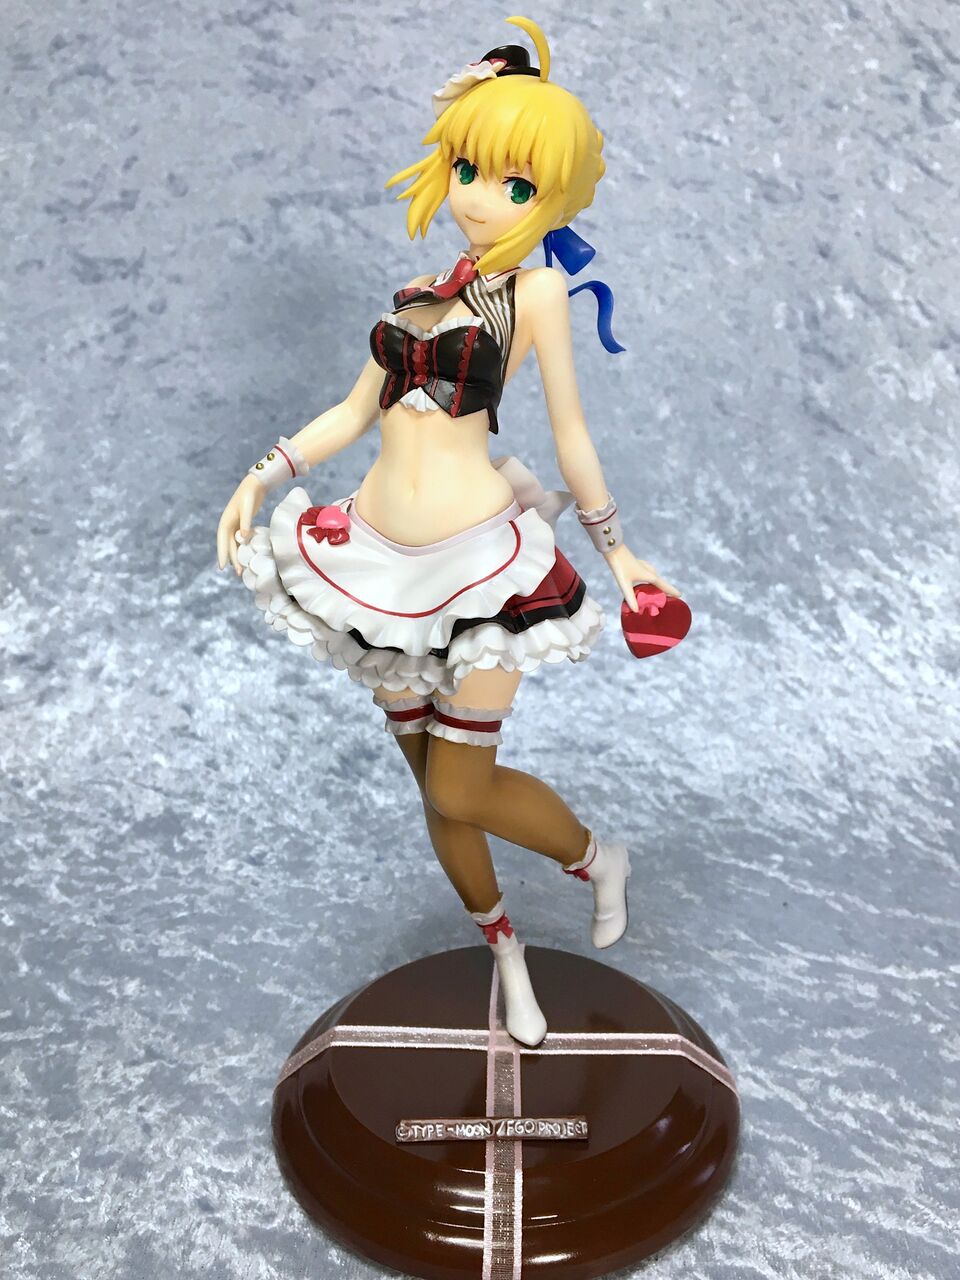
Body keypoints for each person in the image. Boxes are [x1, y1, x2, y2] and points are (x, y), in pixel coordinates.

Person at [216, 16, 680, 1047]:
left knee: (464, 780)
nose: (477, 195)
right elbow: (352, 412)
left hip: (478, 573)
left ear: (554, 196)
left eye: (513, 183)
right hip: (370, 563)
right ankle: (506, 952)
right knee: (436, 791)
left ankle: (596, 858)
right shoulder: (421, 295)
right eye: (467, 168)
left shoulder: (537, 291)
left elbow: (571, 432)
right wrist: (261, 475)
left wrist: (617, 550)